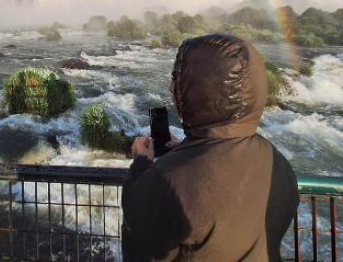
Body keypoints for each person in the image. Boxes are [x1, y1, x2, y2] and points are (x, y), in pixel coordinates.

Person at [122, 34, 299, 262]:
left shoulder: (166, 181)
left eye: (178, 79)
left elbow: (139, 250)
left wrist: (140, 165)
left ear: (201, 89)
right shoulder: (278, 162)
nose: (170, 87)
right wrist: (188, 148)